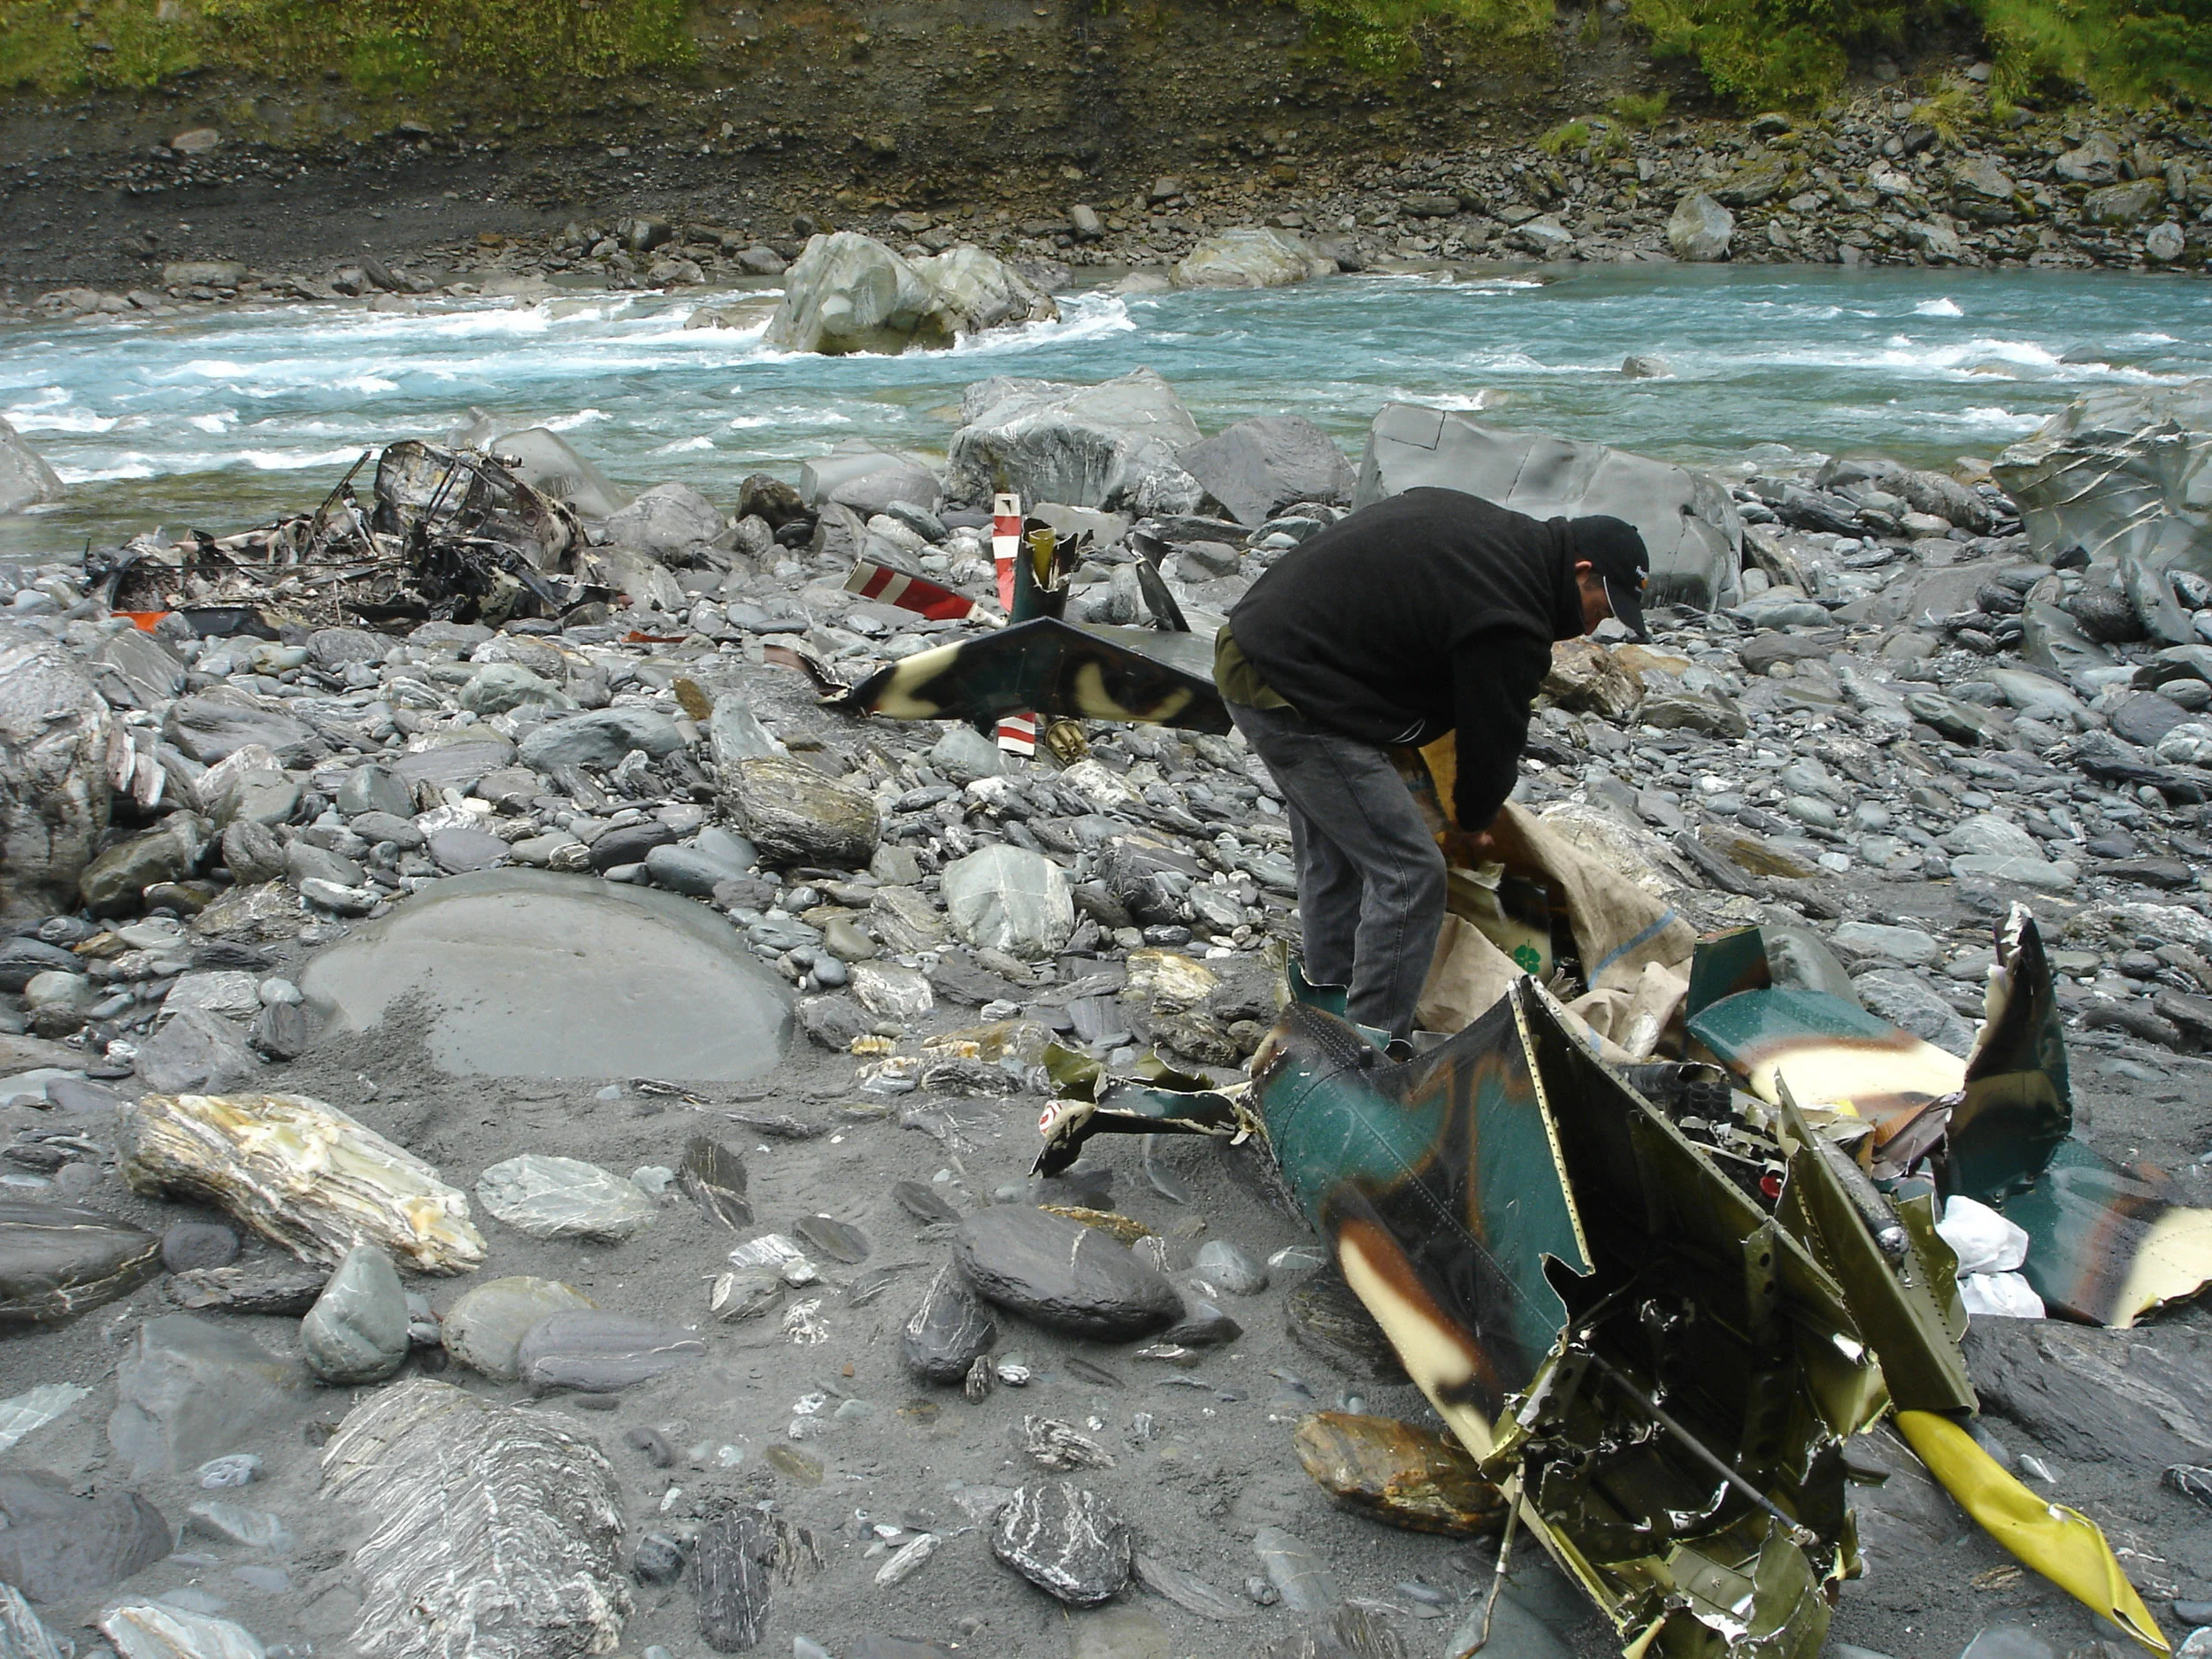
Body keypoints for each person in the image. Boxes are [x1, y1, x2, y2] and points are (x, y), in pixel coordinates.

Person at [1214, 487, 1650, 1041]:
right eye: (1600, 608)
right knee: (1410, 875)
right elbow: (1492, 737)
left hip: (1258, 644)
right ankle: (1370, 1046)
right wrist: (1475, 821)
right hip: (1291, 689)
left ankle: (1325, 1013)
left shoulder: (1501, 539)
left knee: (1339, 855)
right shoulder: (1512, 615)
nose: (1591, 628)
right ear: (1581, 571)